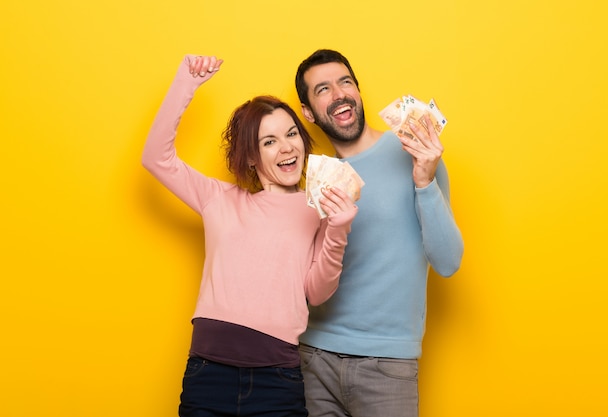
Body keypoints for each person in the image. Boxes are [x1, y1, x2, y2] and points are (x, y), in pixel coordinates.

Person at [142, 54, 358, 417]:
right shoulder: (219, 199)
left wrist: (338, 228)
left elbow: (317, 292)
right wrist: (186, 84)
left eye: (291, 134)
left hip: (278, 381)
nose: (287, 147)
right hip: (208, 374)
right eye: (269, 141)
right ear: (253, 158)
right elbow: (155, 158)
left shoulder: (317, 209)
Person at [294, 49, 464, 416]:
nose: (338, 93)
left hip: (388, 363)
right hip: (313, 360)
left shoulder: (415, 154)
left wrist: (424, 182)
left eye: (345, 82)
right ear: (309, 112)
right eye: (322, 89)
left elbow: (448, 262)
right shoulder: (313, 181)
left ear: (357, 91)